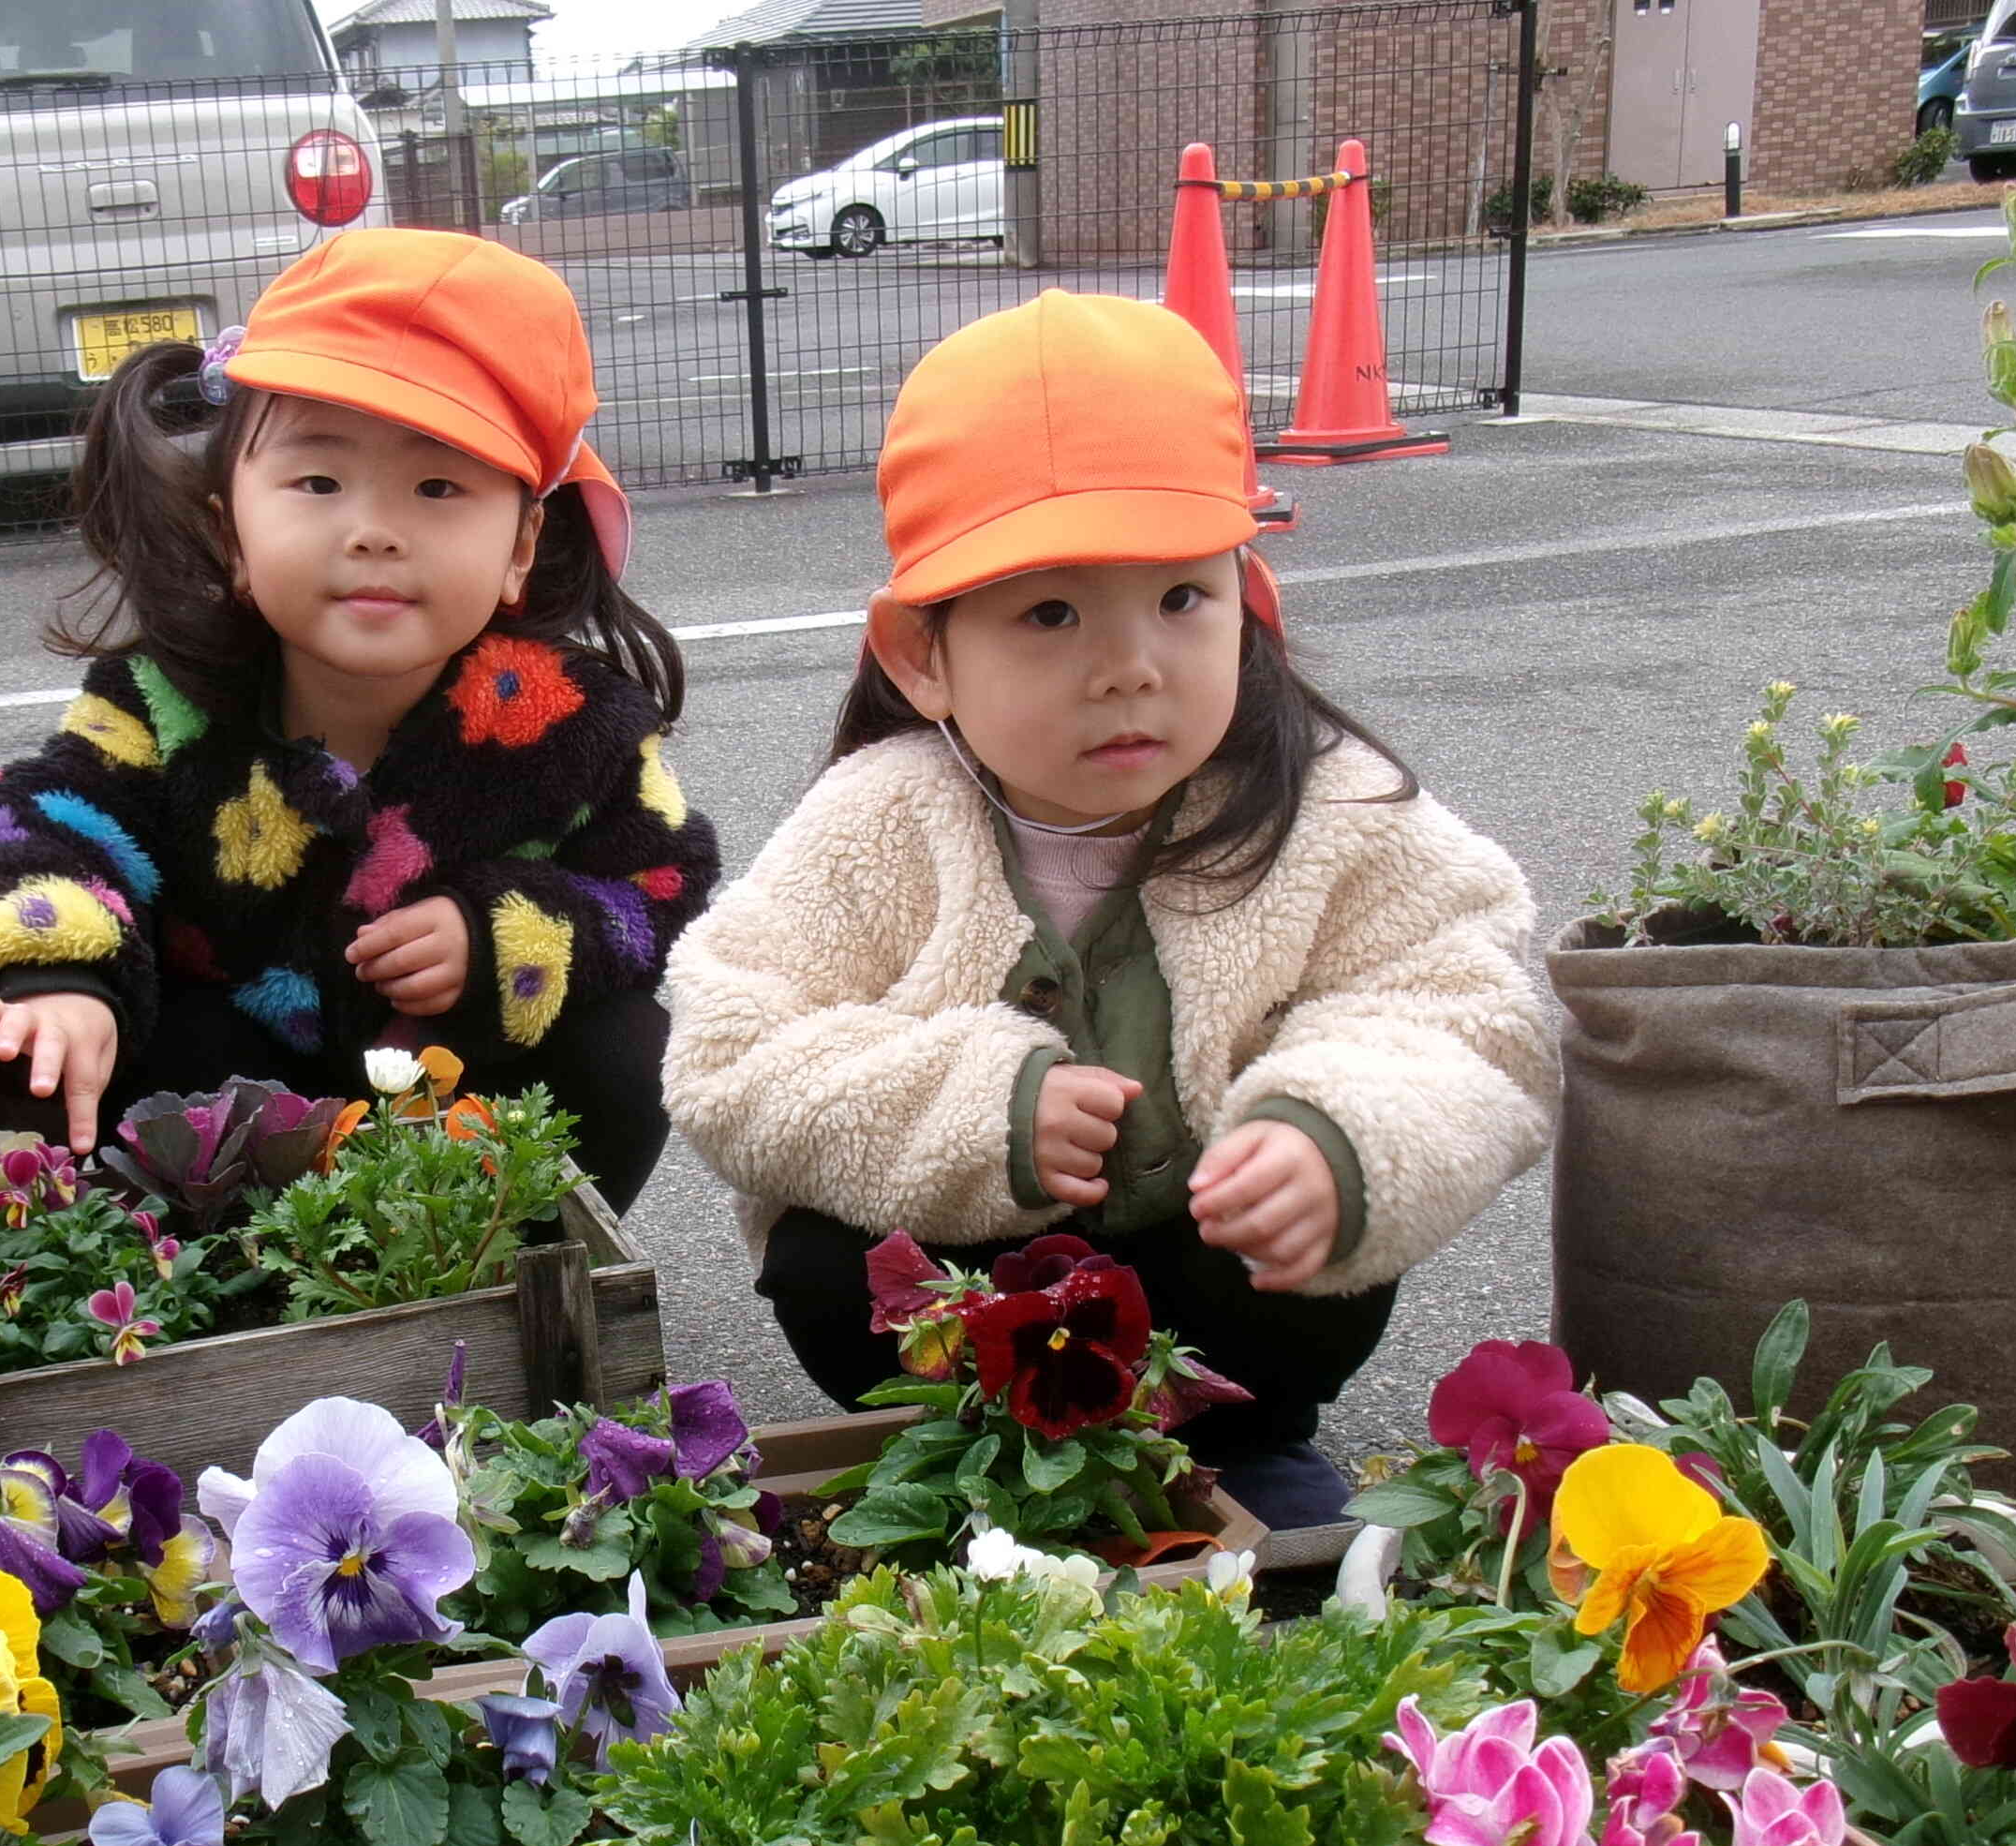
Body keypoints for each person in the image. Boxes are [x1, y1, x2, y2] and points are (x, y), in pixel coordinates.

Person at [662, 294, 1558, 1529]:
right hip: (967, 1316)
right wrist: (989, 1109)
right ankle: (964, 1469)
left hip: (1211, 1311)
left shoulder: (1327, 804)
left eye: (1181, 599)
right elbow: (728, 1050)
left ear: (1248, 594)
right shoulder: (879, 819)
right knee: (828, 1263)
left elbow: (1469, 1009)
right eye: (1050, 613)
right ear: (923, 655)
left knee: (1314, 1257)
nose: (1132, 663)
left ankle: (1242, 1448)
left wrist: (1331, 1136)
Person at [0, 229, 716, 1211]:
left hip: (458, 1105)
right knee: (148, 1038)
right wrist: (58, 981)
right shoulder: (169, 697)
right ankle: (229, 1307)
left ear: (520, 545)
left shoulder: (570, 721)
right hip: (236, 1131)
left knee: (624, 1051)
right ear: (230, 530)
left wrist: (500, 935)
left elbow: (662, 883)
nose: (373, 529)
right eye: (318, 482)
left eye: (438, 487)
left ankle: (516, 1272)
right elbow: (23, 827)